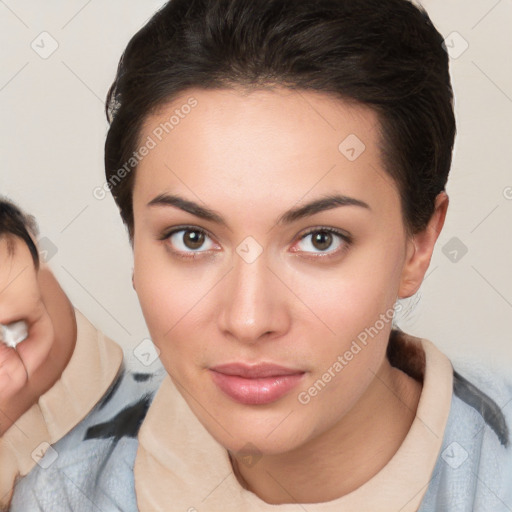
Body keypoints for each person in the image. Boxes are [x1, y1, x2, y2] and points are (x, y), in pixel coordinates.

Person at [1, 0, 511, 510]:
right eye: (192, 238)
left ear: (417, 247)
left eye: (321, 239)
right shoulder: (61, 494)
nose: (248, 320)